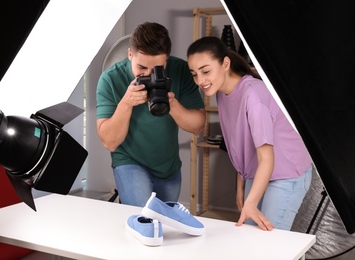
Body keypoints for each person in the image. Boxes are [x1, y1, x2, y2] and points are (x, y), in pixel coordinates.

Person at [187, 36, 312, 231]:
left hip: (286, 171)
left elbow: (267, 157)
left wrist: (250, 201)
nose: (200, 81)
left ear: (225, 63)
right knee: (250, 238)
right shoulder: (221, 92)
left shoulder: (253, 95)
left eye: (206, 71)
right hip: (258, 170)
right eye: (194, 74)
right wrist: (242, 184)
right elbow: (241, 143)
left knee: (269, 244)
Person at [96, 22, 205, 207]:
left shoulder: (180, 71)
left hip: (167, 165)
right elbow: (109, 142)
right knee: (144, 220)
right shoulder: (110, 79)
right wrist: (126, 103)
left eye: (156, 70)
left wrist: (171, 103)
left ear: (166, 60)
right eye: (141, 68)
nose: (148, 75)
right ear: (130, 54)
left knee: (165, 226)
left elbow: (198, 126)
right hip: (129, 160)